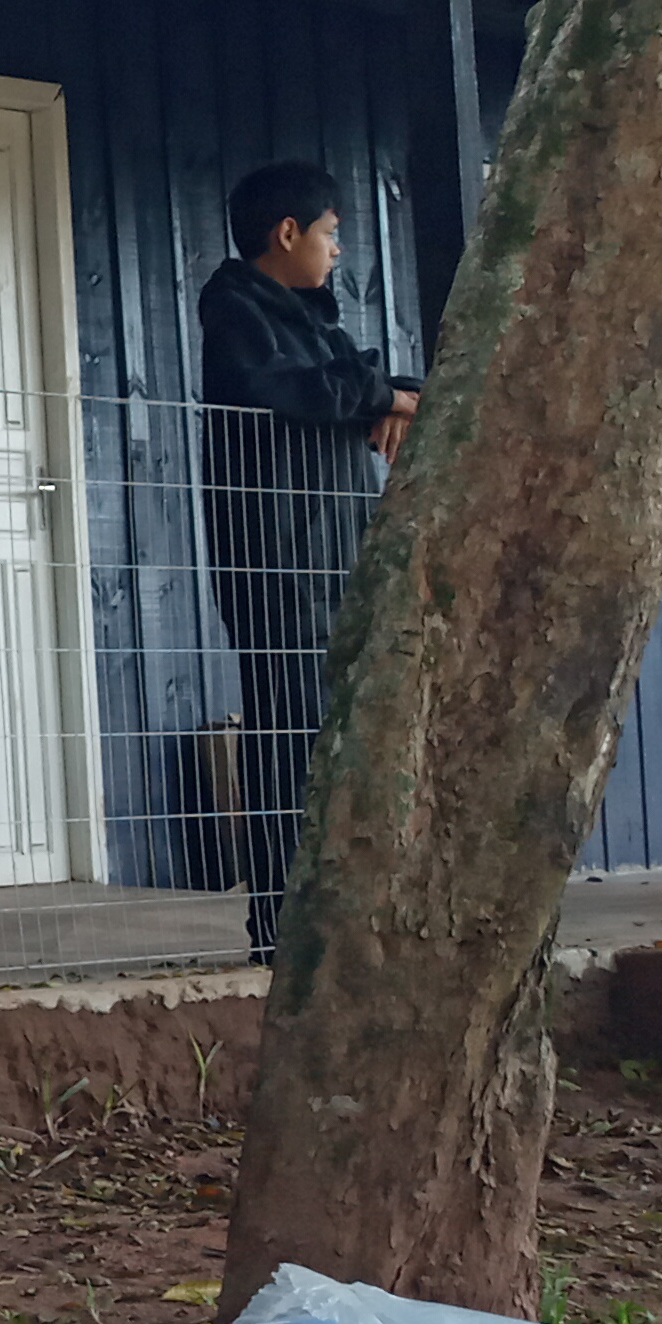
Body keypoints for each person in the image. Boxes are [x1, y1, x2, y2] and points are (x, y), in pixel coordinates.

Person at [198, 162, 419, 960]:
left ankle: (337, 916)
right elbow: (283, 391)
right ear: (286, 233)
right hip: (276, 563)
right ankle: (283, 927)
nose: (338, 249)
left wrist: (393, 395)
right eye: (329, 233)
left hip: (336, 561)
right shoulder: (233, 308)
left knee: (337, 738)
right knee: (287, 736)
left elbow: (351, 381)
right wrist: (376, 396)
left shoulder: (313, 320)